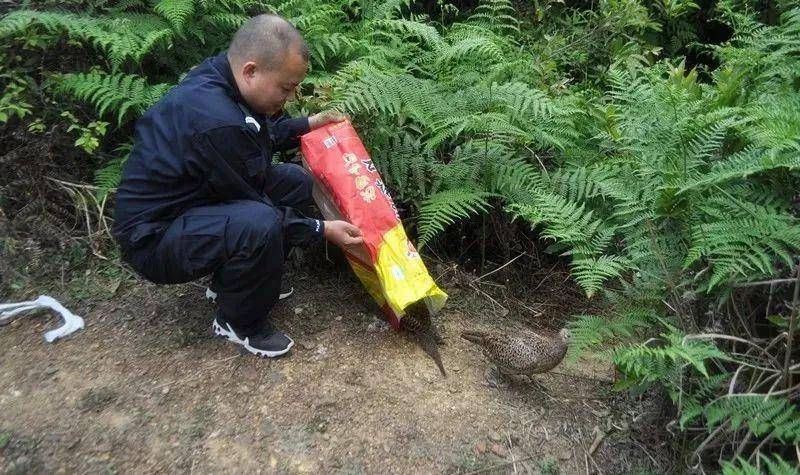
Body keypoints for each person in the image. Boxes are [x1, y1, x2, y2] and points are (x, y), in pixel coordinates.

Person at [112, 14, 363, 357]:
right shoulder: (216, 120)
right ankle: (238, 321)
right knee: (259, 223)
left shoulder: (223, 80)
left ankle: (237, 283)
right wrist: (321, 229)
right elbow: (261, 208)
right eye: (286, 88)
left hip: (192, 204)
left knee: (293, 181)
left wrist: (308, 123)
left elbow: (256, 138)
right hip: (155, 238)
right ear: (251, 71)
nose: (289, 99)